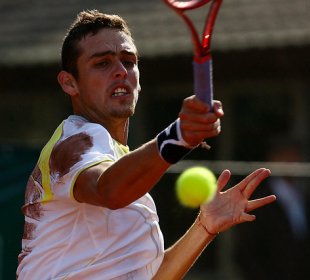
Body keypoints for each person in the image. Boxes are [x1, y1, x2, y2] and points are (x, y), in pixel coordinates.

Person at [16, 10, 276, 280]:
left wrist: (204, 227)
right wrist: (179, 136)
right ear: (69, 82)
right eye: (102, 63)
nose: (120, 72)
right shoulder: (73, 142)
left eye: (128, 62)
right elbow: (108, 190)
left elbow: (154, 277)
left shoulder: (131, 181)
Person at [235, 134, 310, 280]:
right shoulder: (257, 201)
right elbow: (246, 253)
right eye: (284, 155)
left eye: (294, 155)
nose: (290, 161)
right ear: (271, 159)